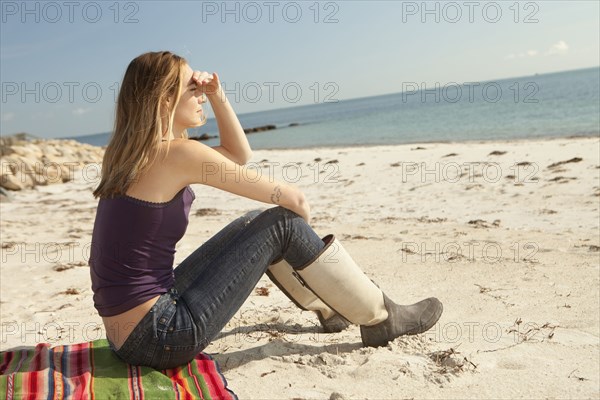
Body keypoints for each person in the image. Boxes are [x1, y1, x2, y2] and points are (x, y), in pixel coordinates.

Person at [89, 51, 443, 370]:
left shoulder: (130, 155)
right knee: (281, 223)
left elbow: (237, 155)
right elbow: (293, 199)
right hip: (161, 336)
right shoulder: (178, 155)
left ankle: (332, 308)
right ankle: (380, 317)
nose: (200, 95)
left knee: (252, 222)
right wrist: (299, 240)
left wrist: (216, 93)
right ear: (164, 99)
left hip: (131, 334)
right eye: (192, 88)